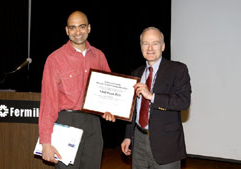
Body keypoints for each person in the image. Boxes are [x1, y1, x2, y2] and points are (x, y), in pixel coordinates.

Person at [38, 10, 115, 169]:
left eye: (81, 27)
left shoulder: (99, 56)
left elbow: (110, 89)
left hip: (93, 124)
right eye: (72, 28)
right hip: (67, 122)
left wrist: (110, 109)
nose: (77, 32)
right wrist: (45, 142)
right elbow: (48, 102)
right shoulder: (55, 59)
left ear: (89, 28)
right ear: (67, 30)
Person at [121, 27, 191, 169]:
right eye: (145, 43)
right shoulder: (136, 72)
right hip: (139, 141)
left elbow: (183, 102)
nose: (150, 48)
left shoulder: (178, 70)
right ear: (141, 46)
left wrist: (152, 96)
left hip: (166, 144)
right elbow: (133, 108)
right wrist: (128, 136)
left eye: (155, 43)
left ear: (163, 46)